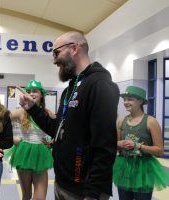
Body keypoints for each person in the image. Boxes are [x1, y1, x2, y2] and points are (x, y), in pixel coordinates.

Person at [17, 31, 119, 200]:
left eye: (56, 53)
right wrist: (32, 108)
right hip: (63, 182)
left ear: (74, 48)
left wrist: (92, 193)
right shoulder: (70, 89)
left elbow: (105, 145)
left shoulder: (99, 85)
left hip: (84, 189)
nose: (55, 60)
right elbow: (57, 128)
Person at [113, 86, 169, 200]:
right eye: (125, 99)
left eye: (130, 99)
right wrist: (118, 144)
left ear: (141, 101)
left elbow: (159, 150)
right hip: (124, 168)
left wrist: (138, 146)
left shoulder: (151, 122)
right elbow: (115, 145)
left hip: (144, 169)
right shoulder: (121, 121)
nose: (126, 102)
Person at [7, 80, 55, 200]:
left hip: (41, 154)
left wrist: (51, 142)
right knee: (27, 195)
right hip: (24, 152)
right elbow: (1, 124)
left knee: (40, 197)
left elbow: (59, 132)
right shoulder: (20, 112)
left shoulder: (49, 113)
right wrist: (12, 139)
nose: (32, 94)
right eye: (29, 91)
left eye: (35, 91)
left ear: (41, 95)